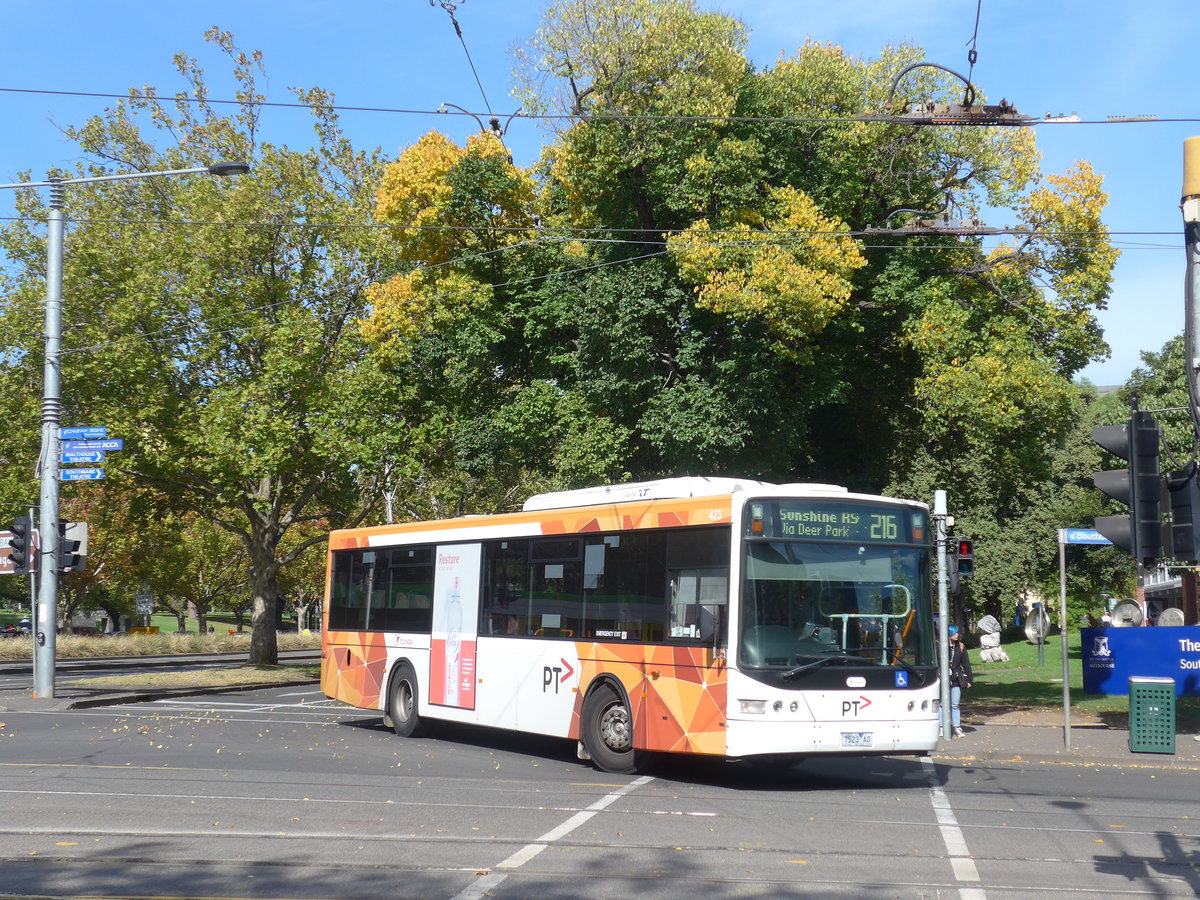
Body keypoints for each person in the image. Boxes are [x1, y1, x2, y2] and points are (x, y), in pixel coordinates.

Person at [948, 625, 973, 737]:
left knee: (955, 704)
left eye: (957, 633)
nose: (957, 635)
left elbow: (966, 664)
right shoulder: (940, 646)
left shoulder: (961, 647)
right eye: (955, 633)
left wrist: (969, 680)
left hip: (956, 679)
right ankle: (941, 727)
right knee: (942, 704)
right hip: (943, 679)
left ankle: (957, 726)